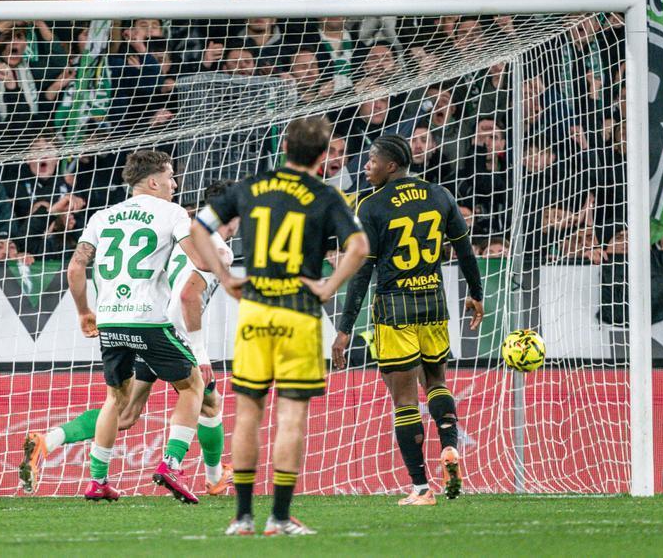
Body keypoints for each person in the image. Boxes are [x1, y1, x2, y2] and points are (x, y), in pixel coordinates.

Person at [192, 115, 368, 536]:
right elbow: (359, 246)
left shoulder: (252, 186)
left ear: (284, 146)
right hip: (299, 315)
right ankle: (280, 517)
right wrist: (328, 287)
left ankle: (243, 517)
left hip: (255, 310)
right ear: (324, 157)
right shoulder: (325, 195)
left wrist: (226, 274)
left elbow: (199, 226)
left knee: (248, 412)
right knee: (291, 416)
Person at [20, 181, 240, 497]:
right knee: (204, 396)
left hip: (136, 323)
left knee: (125, 413)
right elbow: (189, 295)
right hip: (168, 330)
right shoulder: (216, 247)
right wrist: (200, 351)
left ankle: (49, 440)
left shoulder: (181, 229)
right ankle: (197, 471)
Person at [333, 134, 485, 506]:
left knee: (403, 401)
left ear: (391, 165)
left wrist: (344, 328)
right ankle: (449, 447)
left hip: (394, 309)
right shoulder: (440, 195)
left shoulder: (371, 206)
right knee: (436, 381)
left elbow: (362, 273)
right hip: (433, 303)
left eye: (371, 161)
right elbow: (465, 250)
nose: (365, 167)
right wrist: (477, 294)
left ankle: (420, 488)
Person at [65, 150, 209, 503]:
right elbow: (197, 257)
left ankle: (98, 481)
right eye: (171, 176)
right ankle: (172, 464)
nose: (175, 184)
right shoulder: (173, 212)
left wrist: (85, 311)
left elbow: (74, 269)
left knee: (115, 400)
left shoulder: (102, 216)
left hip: (111, 317)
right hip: (148, 317)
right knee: (193, 385)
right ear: (154, 181)